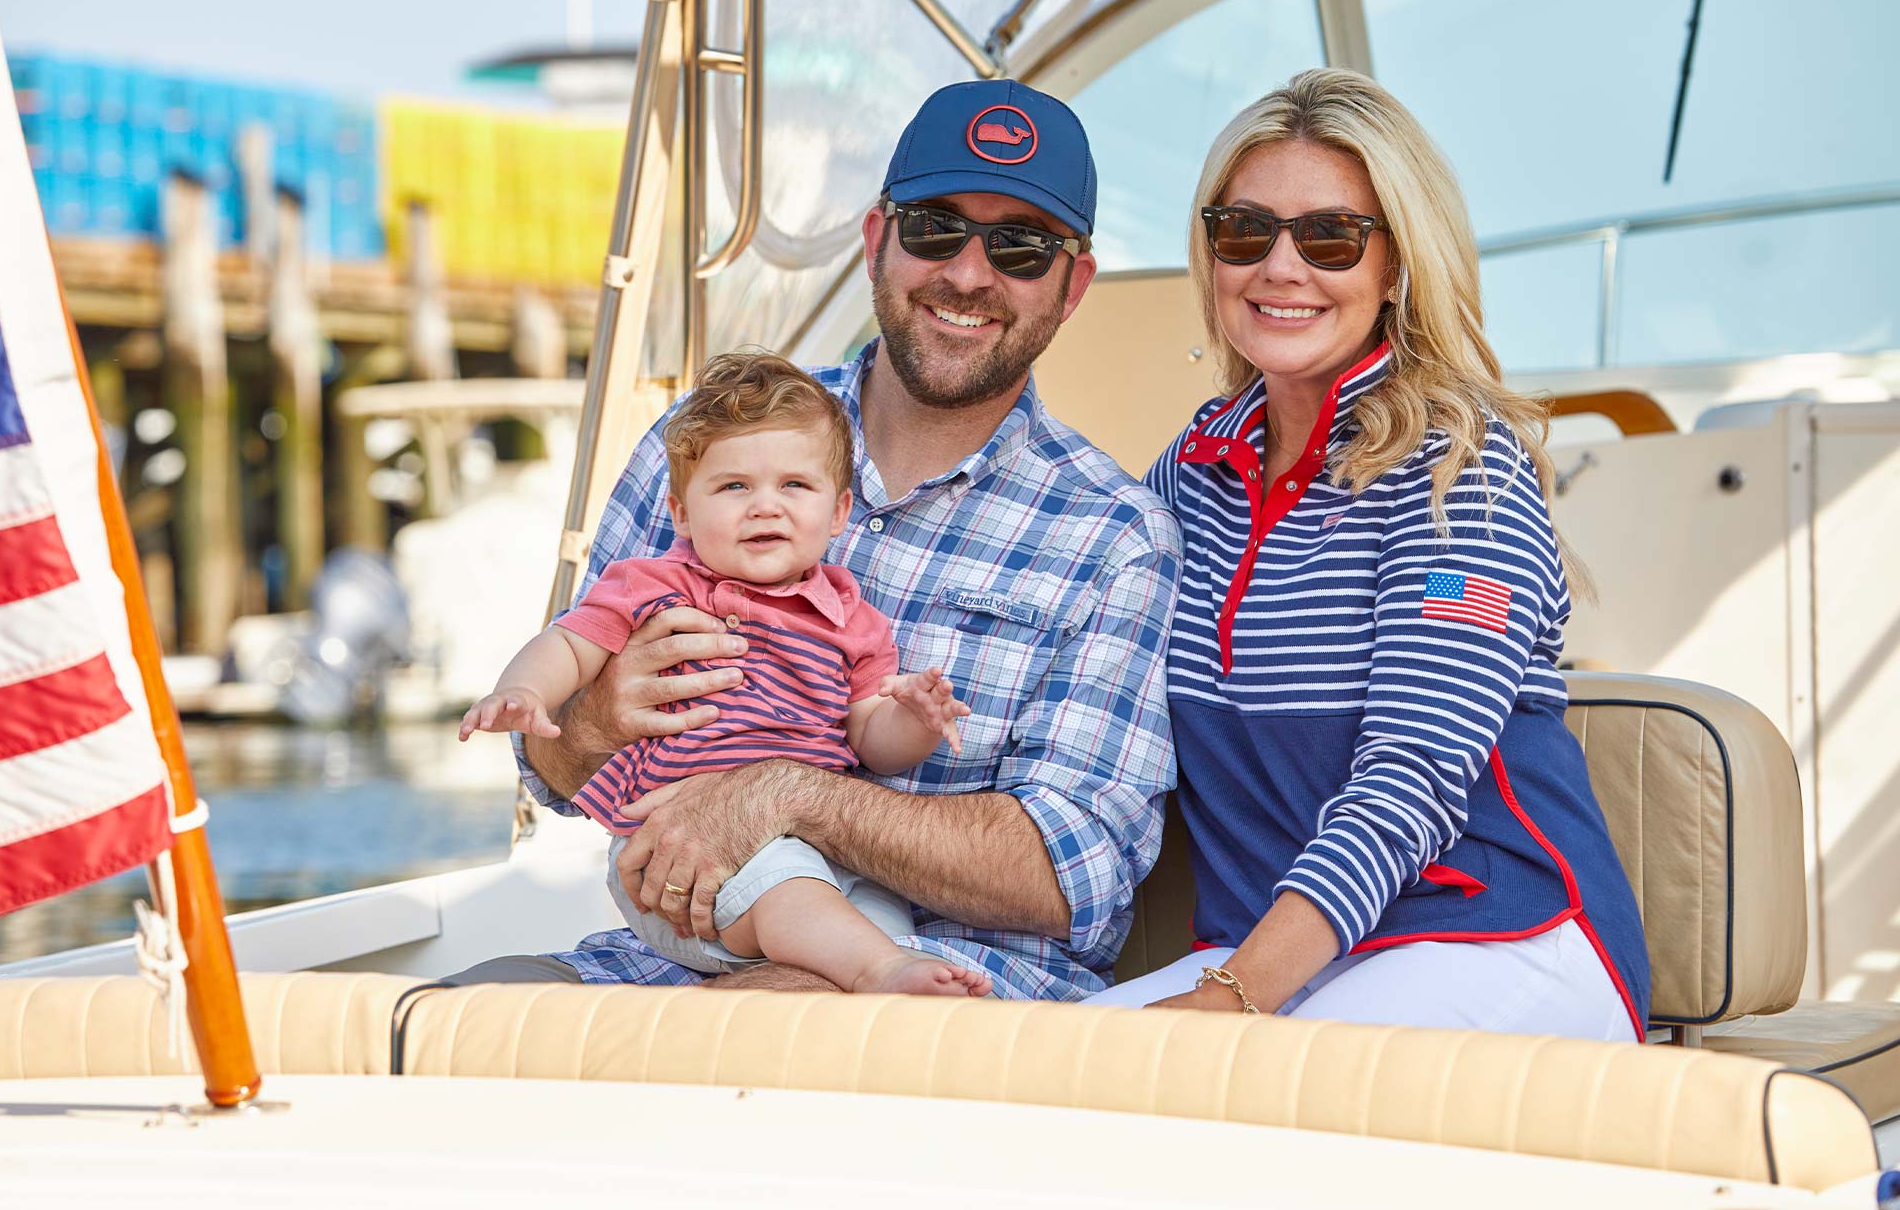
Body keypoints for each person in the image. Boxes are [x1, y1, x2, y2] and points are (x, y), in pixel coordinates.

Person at [447, 79, 1182, 1000]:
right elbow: (552, 770)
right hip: (669, 948)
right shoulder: (704, 441)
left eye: (1021, 246)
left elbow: (1074, 876)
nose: (966, 272)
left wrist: (786, 795)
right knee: (426, 1028)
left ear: (1072, 286)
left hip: (961, 986)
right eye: (934, 228)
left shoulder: (1117, 536)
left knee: (709, 1047)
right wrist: (596, 716)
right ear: (878, 241)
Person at [1089, 69, 1650, 1040]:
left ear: (1394, 264)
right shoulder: (1190, 474)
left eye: (1327, 237)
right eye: (1242, 230)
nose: (1278, 266)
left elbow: (1412, 772)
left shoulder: (1457, 472)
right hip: (1272, 963)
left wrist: (1231, 999)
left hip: (1496, 936)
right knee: (1010, 1079)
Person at [458, 350, 988, 997]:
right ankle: (876, 971)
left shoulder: (850, 618)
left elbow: (870, 737)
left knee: (878, 912)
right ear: (681, 514)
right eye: (734, 487)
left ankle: (875, 966)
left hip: (810, 852)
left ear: (840, 511)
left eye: (795, 486)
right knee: (798, 891)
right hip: (676, 868)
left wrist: (917, 719)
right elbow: (569, 644)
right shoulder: (655, 586)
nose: (765, 506)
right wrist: (524, 689)